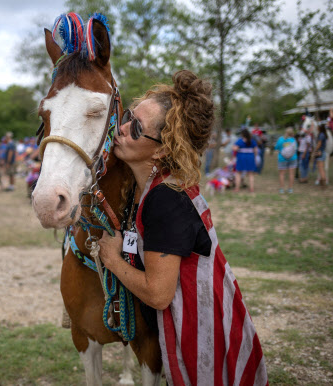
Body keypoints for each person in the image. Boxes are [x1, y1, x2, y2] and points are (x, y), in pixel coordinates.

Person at [99, 70, 267, 385]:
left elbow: (159, 293)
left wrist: (112, 260)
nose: (120, 129)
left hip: (199, 328)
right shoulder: (146, 187)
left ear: (162, 150)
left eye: (135, 127)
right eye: (127, 117)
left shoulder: (165, 199)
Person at [274, 127, 298, 193]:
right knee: (291, 174)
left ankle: (281, 189)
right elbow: (296, 149)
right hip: (293, 158)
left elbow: (276, 147)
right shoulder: (293, 140)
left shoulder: (281, 139)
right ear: (292, 133)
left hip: (282, 158)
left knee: (282, 174)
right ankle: (290, 189)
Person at [313, 123, 328, 188]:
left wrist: (315, 150)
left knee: (321, 169)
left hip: (320, 153)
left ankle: (323, 183)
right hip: (323, 152)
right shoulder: (324, 134)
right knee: (321, 168)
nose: (316, 127)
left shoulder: (321, 135)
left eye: (317, 126)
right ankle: (323, 182)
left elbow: (319, 143)